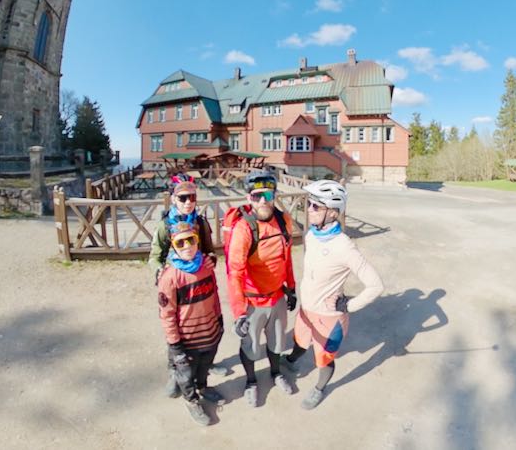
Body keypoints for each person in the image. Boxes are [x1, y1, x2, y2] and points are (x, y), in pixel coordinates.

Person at [283, 179, 383, 410]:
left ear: (333, 212)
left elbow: (376, 285)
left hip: (329, 317)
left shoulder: (344, 246)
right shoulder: (311, 235)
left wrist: (349, 304)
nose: (308, 209)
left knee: (323, 359)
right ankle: (290, 361)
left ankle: (319, 388)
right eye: (309, 204)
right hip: (306, 309)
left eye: (316, 206)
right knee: (299, 341)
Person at [225, 168, 297, 407]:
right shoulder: (244, 229)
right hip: (252, 301)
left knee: (277, 342)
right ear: (249, 198)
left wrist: (292, 287)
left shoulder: (283, 220)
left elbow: (286, 257)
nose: (264, 201)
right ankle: (251, 381)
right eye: (257, 196)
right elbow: (234, 272)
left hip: (277, 296)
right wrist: (239, 314)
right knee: (251, 346)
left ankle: (276, 374)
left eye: (268, 195)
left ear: (275, 195)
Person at [149, 174, 217, 398]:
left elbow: (208, 248)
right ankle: (174, 372)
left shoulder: (200, 222)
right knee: (175, 328)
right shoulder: (164, 225)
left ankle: (202, 367)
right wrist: (158, 271)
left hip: (196, 278)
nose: (188, 202)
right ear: (173, 199)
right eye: (183, 198)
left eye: (192, 197)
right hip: (173, 280)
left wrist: (211, 258)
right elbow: (154, 256)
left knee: (198, 323)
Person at [157, 222, 224, 426]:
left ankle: (203, 387)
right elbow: (167, 314)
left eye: (191, 240)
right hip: (186, 338)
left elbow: (214, 294)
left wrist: (219, 319)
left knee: (204, 366)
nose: (187, 246)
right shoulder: (170, 277)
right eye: (181, 242)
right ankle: (191, 400)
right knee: (186, 373)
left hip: (209, 330)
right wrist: (175, 345)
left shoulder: (206, 266)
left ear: (197, 240)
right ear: (173, 246)